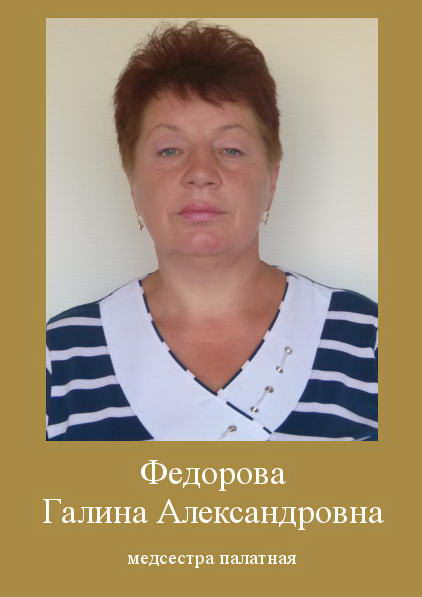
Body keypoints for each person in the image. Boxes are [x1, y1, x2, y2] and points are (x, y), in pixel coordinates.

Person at [46, 21, 378, 441]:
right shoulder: (60, 357)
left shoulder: (368, 341)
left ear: (272, 180)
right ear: (133, 183)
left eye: (231, 149)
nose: (201, 172)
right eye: (170, 150)